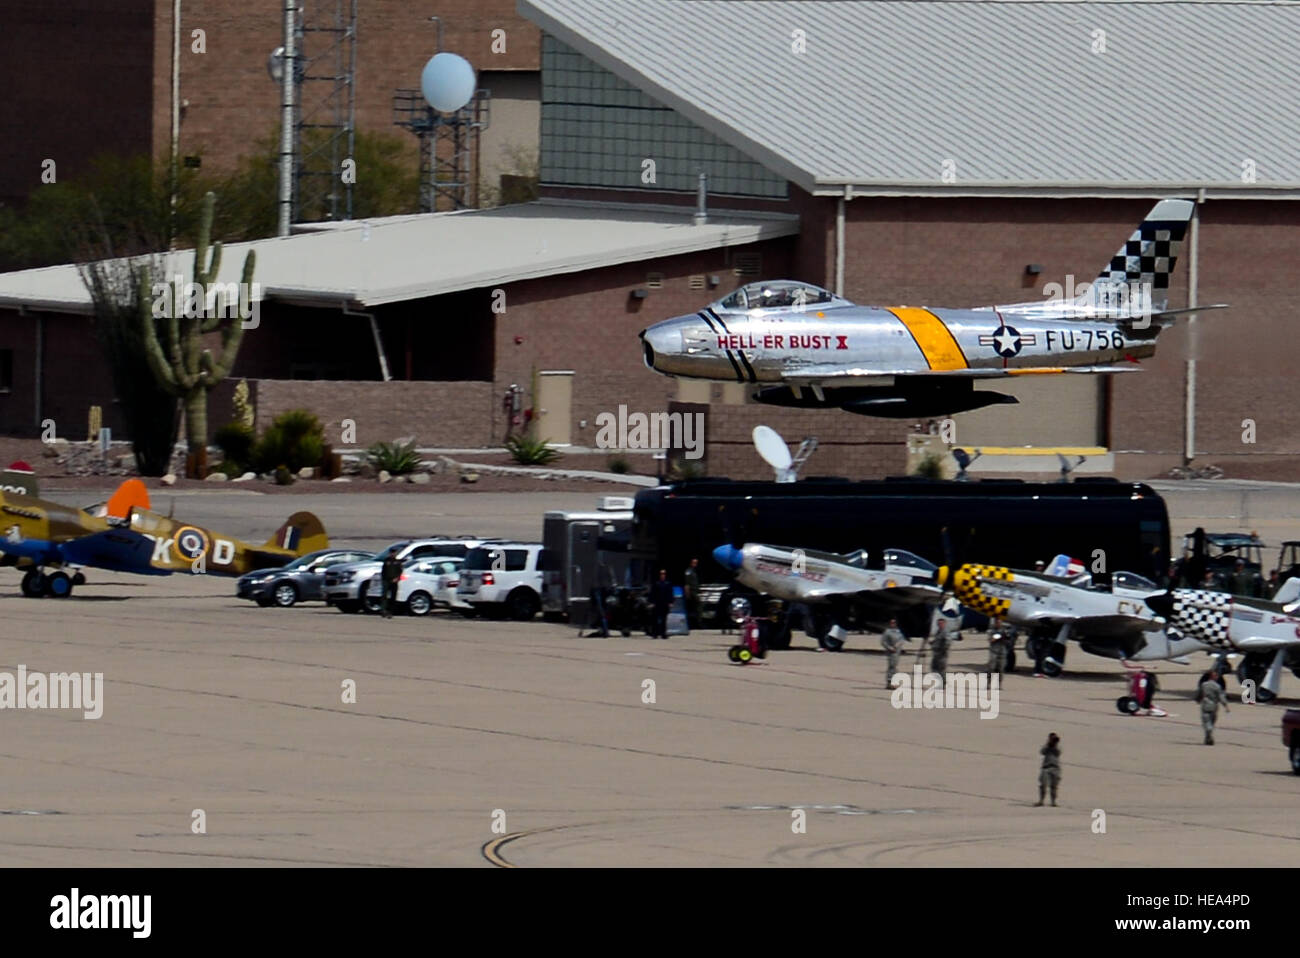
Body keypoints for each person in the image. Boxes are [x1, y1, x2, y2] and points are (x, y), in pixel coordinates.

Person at [1196, 669, 1230, 745]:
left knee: (1206, 722)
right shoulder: (1217, 686)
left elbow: (1199, 694)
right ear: (1213, 677)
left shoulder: (1204, 685)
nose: (1217, 677)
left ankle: (1208, 734)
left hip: (1205, 706)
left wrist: (1198, 700)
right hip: (1214, 707)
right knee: (1211, 722)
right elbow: (1221, 697)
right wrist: (1226, 706)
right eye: (1216, 676)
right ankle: (1208, 738)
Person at [881, 618, 908, 688]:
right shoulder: (887, 632)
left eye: (894, 623)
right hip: (891, 652)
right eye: (892, 623)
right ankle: (889, 682)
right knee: (891, 667)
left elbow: (902, 639)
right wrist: (890, 648)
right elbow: (883, 642)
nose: (893, 624)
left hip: (897, 652)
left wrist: (898, 645)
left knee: (895, 666)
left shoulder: (898, 631)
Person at [1036, 733, 1062, 806]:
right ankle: (1041, 801)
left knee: (1054, 786)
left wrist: (1054, 745)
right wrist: (1048, 744)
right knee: (1043, 784)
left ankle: (1053, 802)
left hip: (1055, 768)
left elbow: (1058, 753)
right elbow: (1042, 752)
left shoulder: (1058, 746)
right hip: (1046, 767)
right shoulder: (1046, 746)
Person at [649, 569, 673, 639]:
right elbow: (652, 594)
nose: (662, 575)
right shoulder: (656, 583)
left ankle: (663, 633)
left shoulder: (668, 584)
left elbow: (670, 594)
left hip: (665, 604)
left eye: (664, 574)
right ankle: (655, 634)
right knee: (655, 619)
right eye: (661, 574)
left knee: (664, 619)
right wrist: (651, 602)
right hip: (657, 604)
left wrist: (671, 602)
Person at [380, 553, 403, 619]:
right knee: (384, 596)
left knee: (393, 597)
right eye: (391, 553)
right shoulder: (386, 561)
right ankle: (383, 611)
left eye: (394, 553)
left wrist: (397, 579)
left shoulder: (398, 562)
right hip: (386, 581)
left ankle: (391, 612)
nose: (392, 554)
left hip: (394, 581)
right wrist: (383, 580)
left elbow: (400, 572)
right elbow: (383, 571)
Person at [683, 558, 701, 628]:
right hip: (691, 591)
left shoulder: (694, 571)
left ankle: (696, 623)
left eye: (696, 563)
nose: (695, 564)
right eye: (694, 563)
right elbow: (687, 584)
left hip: (695, 591)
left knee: (696, 607)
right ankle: (696, 623)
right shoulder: (688, 571)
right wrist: (687, 593)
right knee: (697, 607)